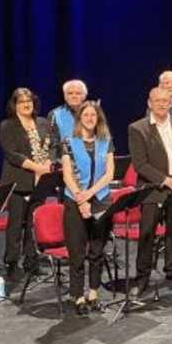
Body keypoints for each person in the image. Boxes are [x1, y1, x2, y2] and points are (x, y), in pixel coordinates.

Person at [127, 87, 172, 294]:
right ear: (149, 103)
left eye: (166, 100)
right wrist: (165, 180)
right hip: (152, 189)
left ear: (171, 102)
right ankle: (142, 276)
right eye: (157, 101)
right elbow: (140, 165)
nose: (162, 104)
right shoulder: (138, 128)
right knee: (147, 234)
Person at [59, 101, 114, 316]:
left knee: (97, 252)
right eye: (86, 114)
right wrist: (81, 201)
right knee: (77, 253)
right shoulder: (68, 142)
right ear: (79, 118)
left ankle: (93, 293)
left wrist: (89, 195)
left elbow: (109, 174)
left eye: (94, 115)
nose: (90, 118)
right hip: (74, 201)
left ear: (98, 118)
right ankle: (78, 296)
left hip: (100, 200)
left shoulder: (106, 141)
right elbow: (67, 175)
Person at [0, 87, 56, 280]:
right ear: (14, 105)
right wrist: (37, 168)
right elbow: (12, 154)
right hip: (18, 182)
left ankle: (32, 261)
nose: (26, 104)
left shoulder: (43, 123)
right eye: (21, 101)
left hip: (40, 183)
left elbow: (52, 145)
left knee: (34, 223)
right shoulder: (7, 125)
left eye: (29, 100)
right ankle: (12, 264)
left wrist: (48, 163)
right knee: (16, 225)